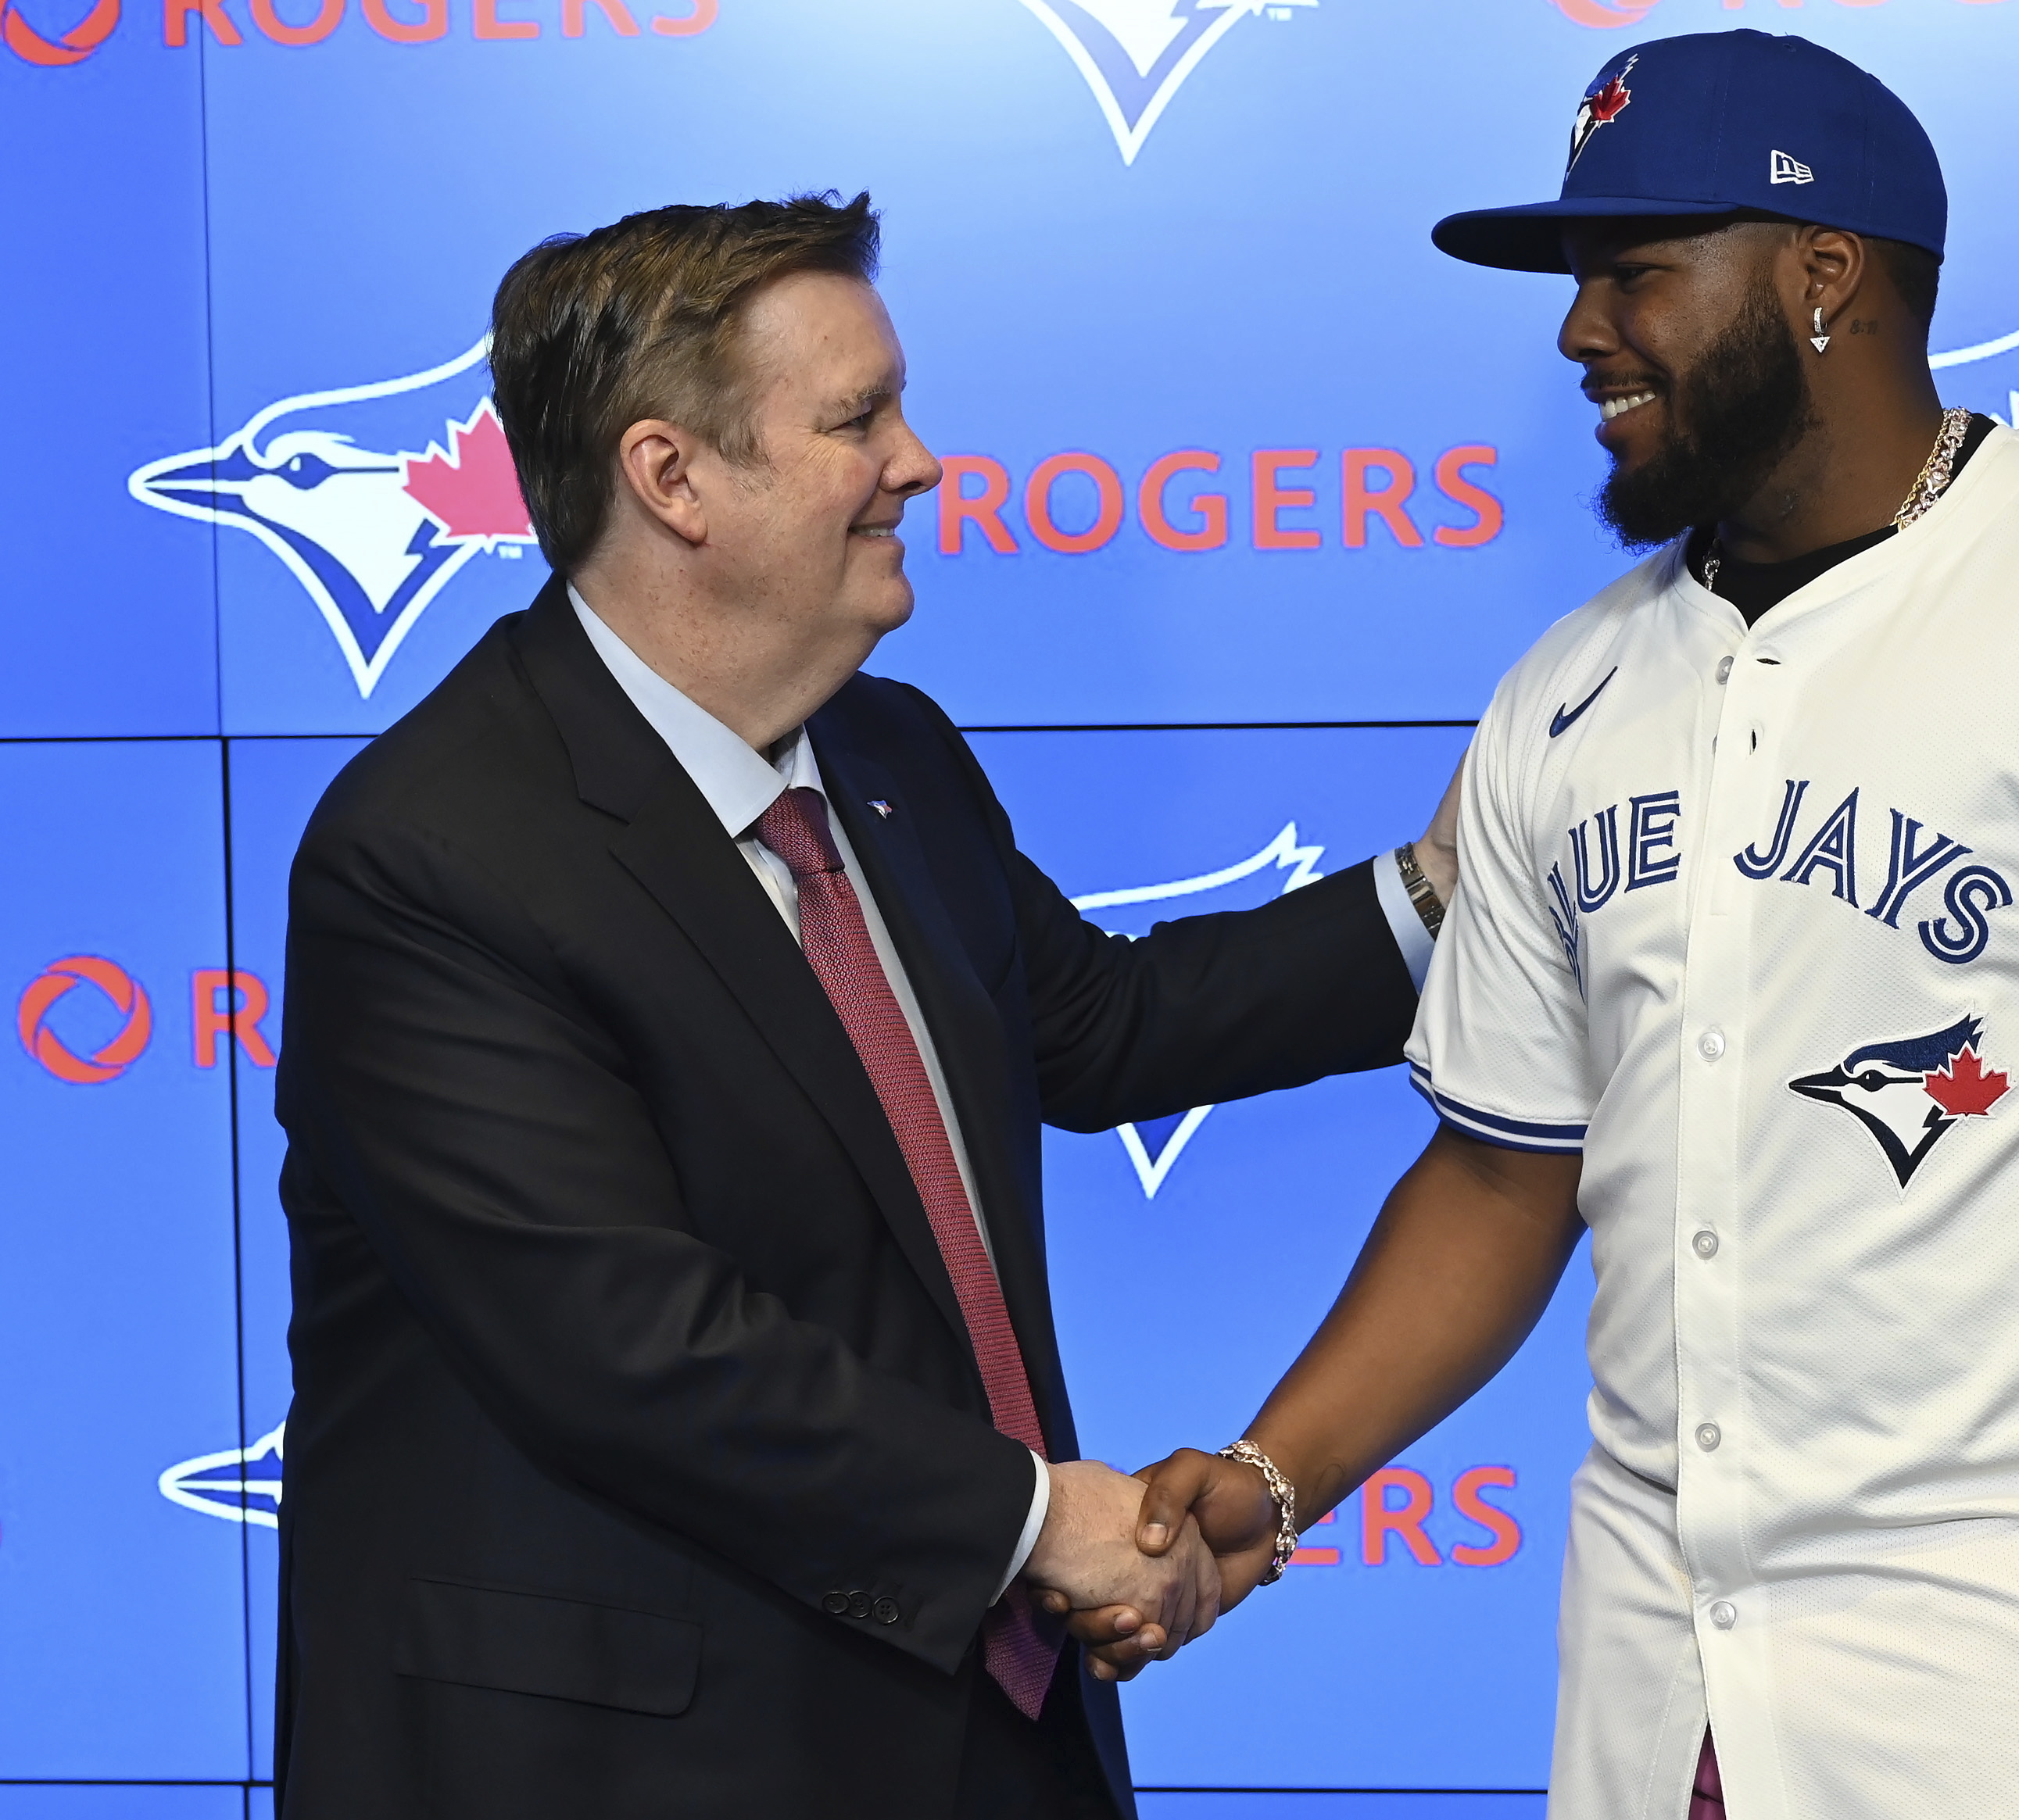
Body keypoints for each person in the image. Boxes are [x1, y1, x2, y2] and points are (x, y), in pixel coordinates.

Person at [1123, 31, 2019, 1820]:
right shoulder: (1567, 688)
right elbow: (1506, 1175)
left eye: (1634, 271)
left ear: (1823, 275)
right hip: (1655, 1705)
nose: (1578, 330)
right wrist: (1272, 1474)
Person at [271, 192, 1459, 1820]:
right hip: (632, 1768)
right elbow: (626, 1343)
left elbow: (1107, 1026)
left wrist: (1446, 889)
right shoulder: (434, 851)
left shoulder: (890, 757)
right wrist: (1042, 1523)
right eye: (857, 419)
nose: (919, 462)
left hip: (985, 1733)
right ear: (670, 479)